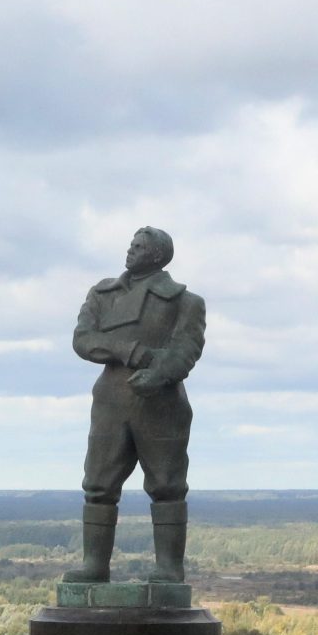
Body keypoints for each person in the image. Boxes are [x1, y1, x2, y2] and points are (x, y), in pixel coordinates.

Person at [62, 226, 207, 585]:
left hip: (160, 402)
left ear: (157, 256)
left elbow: (185, 351)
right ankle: (95, 565)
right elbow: (83, 340)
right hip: (111, 400)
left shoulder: (185, 302)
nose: (130, 250)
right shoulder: (102, 294)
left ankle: (169, 569)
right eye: (131, 244)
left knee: (167, 485)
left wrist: (157, 376)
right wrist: (130, 351)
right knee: (98, 484)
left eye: (139, 246)